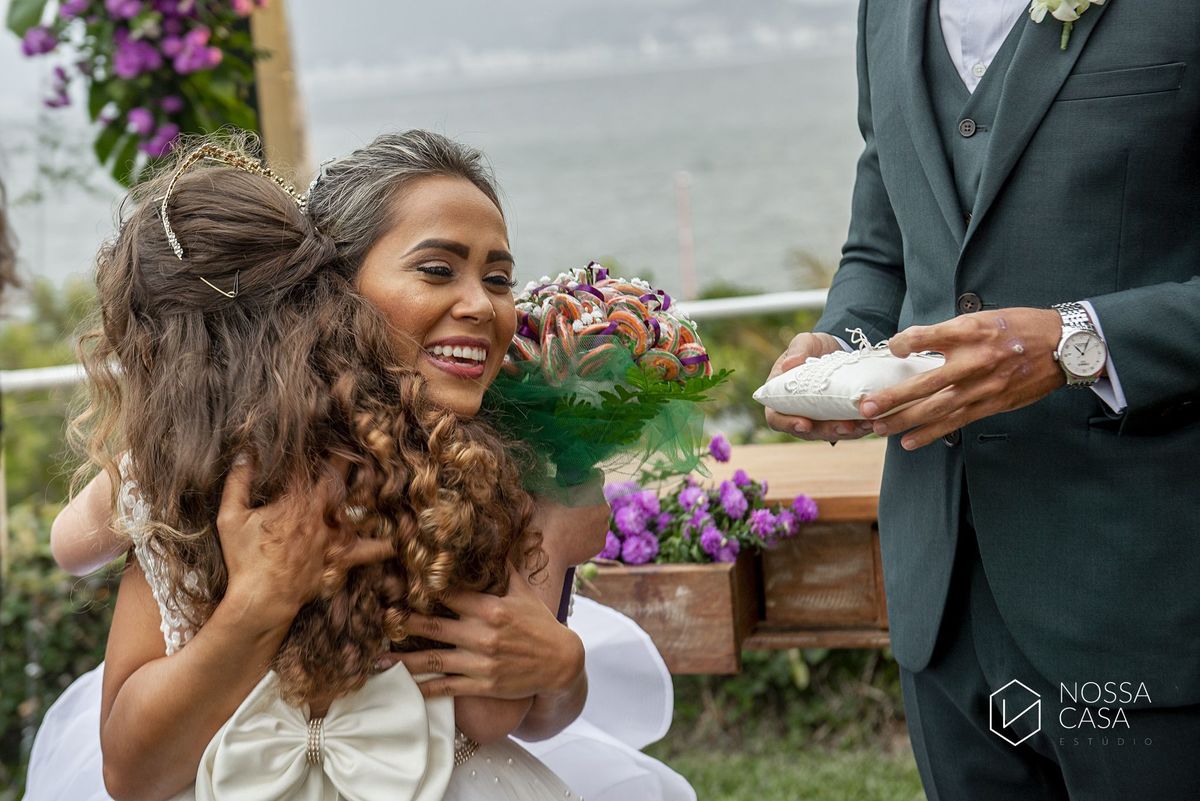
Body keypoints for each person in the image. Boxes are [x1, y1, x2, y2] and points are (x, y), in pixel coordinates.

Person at [25, 131, 693, 801]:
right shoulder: (219, 469)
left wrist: (563, 665)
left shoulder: (485, 462)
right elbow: (131, 770)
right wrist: (257, 599)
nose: (480, 305)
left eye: (498, 279)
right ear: (333, 289)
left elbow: (512, 705)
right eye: (437, 270)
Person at [767, 2, 1200, 799]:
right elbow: (882, 252)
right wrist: (837, 347)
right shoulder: (884, 13)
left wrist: (1077, 341)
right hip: (942, 605)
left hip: (1144, 596)